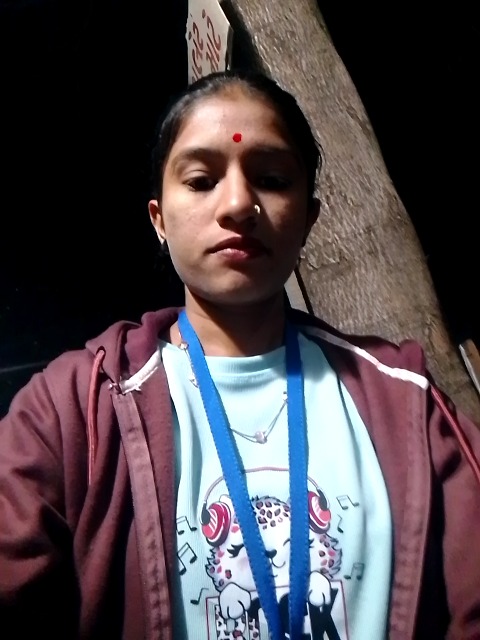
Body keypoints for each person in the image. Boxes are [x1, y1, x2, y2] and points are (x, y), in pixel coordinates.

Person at [1, 69, 479, 640]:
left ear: (308, 219)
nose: (238, 204)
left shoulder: (404, 401)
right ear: (159, 219)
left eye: (272, 179)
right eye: (201, 180)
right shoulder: (71, 409)